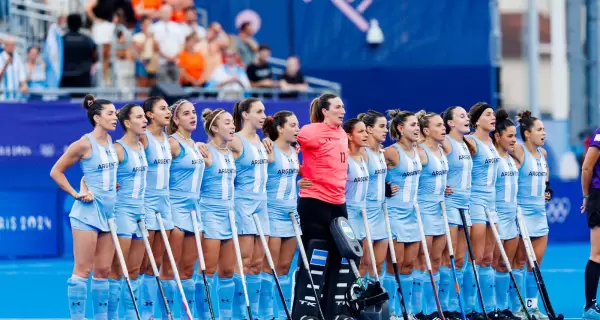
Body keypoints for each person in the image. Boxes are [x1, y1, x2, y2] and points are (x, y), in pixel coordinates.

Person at [49, 94, 118, 319]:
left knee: (103, 271)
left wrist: (109, 185)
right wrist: (77, 194)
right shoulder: (83, 144)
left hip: (109, 214)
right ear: (97, 118)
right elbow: (56, 172)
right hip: (87, 214)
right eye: (110, 113)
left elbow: (95, 174)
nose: (115, 117)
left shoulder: (110, 143)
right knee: (83, 270)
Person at [291, 92, 351, 319]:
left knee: (340, 257)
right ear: (325, 111)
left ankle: (332, 310)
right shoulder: (310, 131)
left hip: (339, 203)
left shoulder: (342, 133)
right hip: (314, 201)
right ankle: (305, 310)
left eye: (343, 106)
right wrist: (298, 172)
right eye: (337, 107)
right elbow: (286, 147)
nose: (342, 110)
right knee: (315, 255)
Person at [160, 99, 209, 318]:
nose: (192, 116)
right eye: (186, 113)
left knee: (188, 272)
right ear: (176, 119)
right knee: (169, 271)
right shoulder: (171, 144)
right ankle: (167, 316)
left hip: (193, 212)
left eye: (194, 112)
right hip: (175, 211)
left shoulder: (196, 146)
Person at [228, 97, 271, 318]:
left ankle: (254, 313)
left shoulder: (264, 142)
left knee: (257, 263)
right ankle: (238, 315)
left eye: (264, 111)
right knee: (243, 262)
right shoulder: (235, 140)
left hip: (261, 203)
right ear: (245, 115)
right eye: (259, 111)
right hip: (243, 203)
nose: (264, 116)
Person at [107, 103, 149, 320]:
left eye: (144, 117)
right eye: (140, 117)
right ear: (126, 123)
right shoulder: (117, 149)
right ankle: (112, 316)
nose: (145, 121)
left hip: (141, 214)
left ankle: (133, 316)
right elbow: (95, 175)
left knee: (134, 271)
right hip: (122, 213)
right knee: (117, 271)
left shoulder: (142, 145)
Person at [195, 107, 237, 320]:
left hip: (230, 215)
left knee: (228, 272)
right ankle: (204, 317)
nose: (233, 127)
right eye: (228, 123)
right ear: (214, 128)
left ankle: (226, 317)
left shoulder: (229, 152)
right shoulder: (203, 151)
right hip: (210, 214)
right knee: (207, 272)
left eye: (232, 122)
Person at [258, 111, 301, 319]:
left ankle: (283, 313)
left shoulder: (294, 151)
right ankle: (266, 315)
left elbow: (295, 175)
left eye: (298, 125)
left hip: (291, 213)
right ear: (280, 128)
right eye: (292, 125)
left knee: (285, 267)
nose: (297, 129)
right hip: (272, 212)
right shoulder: (267, 148)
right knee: (269, 267)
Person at [510, 111, 551, 319]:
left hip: (539, 214)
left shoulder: (542, 154)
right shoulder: (518, 150)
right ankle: (517, 307)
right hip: (521, 213)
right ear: (527, 133)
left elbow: (546, 177)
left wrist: (547, 189)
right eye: (539, 129)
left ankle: (531, 306)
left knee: (535, 264)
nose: (543, 133)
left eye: (544, 129)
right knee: (519, 262)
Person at [382, 110, 423, 319]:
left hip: (412, 214)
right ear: (400, 128)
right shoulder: (390, 152)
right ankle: (391, 313)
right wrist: (383, 187)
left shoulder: (419, 151)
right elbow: (370, 170)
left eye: (418, 124)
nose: (417, 128)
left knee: (409, 265)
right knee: (394, 266)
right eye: (413, 125)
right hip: (394, 214)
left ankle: (407, 312)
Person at [463, 102, 500, 320]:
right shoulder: (471, 142)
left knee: (488, 258)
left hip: (492, 203)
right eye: (488, 114)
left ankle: (489, 307)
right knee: (475, 257)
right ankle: (469, 308)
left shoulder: (493, 142)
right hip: (475, 200)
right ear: (477, 120)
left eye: (493, 114)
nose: (492, 117)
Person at [137, 97, 173, 319]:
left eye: (168, 108)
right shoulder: (143, 138)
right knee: (143, 264)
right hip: (147, 203)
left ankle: (155, 314)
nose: (167, 111)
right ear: (149, 114)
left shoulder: (168, 140)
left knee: (157, 263)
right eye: (162, 108)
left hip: (165, 205)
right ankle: (143, 313)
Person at [413, 111, 450, 320]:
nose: (443, 128)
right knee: (421, 263)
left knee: (435, 262)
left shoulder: (441, 151)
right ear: (426, 130)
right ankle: (419, 311)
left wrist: (443, 188)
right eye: (438, 125)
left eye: (443, 124)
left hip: (440, 210)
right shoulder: (421, 152)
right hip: (424, 212)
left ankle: (432, 310)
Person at [439, 106, 475, 319]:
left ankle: (455, 305)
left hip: (466, 205)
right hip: (449, 205)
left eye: (467, 116)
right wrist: (439, 185)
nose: (466, 118)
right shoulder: (445, 143)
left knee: (461, 259)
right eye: (461, 116)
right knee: (447, 258)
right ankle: (443, 307)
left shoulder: (466, 144)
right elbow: (426, 155)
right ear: (450, 123)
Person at [489, 109, 520, 320]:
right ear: (497, 136)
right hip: (496, 216)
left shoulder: (510, 157)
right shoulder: (492, 158)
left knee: (506, 265)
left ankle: (504, 307)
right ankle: (491, 309)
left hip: (512, 216)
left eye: (515, 136)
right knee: (493, 263)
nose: (514, 140)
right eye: (509, 136)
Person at [356, 110, 390, 281]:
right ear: (369, 129)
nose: (386, 130)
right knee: (363, 263)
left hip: (380, 213)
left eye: (387, 127)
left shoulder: (382, 153)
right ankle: (357, 306)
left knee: (378, 264)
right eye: (382, 126)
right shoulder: (361, 152)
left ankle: (375, 303)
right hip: (364, 214)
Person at [342, 118, 370, 276]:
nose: (366, 134)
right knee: (348, 266)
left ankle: (359, 299)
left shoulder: (364, 157)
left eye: (366, 130)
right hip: (347, 215)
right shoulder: (344, 160)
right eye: (361, 131)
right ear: (349, 136)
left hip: (363, 214)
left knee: (364, 264)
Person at [580, 123, 600, 318]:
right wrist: (586, 197)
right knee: (597, 253)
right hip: (599, 196)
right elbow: (587, 167)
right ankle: (590, 306)